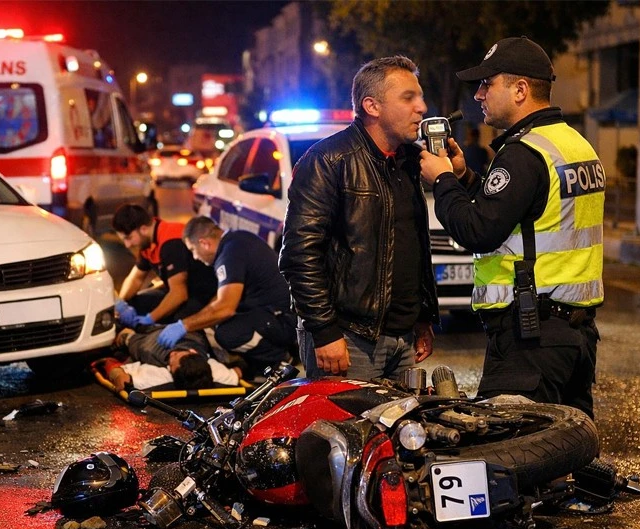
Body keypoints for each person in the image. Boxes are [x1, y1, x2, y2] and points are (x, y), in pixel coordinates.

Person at [419, 36, 605, 418]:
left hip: (530, 339)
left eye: (488, 84)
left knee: (507, 449)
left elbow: (478, 231)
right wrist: (466, 178)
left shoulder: (523, 154)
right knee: (567, 448)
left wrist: (442, 180)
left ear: (520, 90)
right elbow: (522, 213)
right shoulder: (573, 144)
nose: (478, 95)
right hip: (575, 336)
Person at [278, 56, 438, 381]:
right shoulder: (328, 159)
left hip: (404, 337)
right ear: (372, 106)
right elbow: (299, 254)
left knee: (403, 418)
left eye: (420, 97)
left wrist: (422, 317)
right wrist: (324, 330)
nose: (421, 107)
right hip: (348, 337)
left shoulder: (411, 161)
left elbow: (412, 246)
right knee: (345, 418)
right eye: (408, 98)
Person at [156, 216, 297, 375]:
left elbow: (225, 308)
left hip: (283, 319)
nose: (195, 257)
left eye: (193, 250)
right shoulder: (236, 241)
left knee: (228, 334)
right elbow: (221, 297)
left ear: (204, 243)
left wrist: (184, 325)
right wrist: (202, 318)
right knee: (213, 321)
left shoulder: (229, 256)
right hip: (279, 312)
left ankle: (279, 360)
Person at [112, 204, 217, 328]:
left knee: (177, 322)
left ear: (143, 229)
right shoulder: (148, 241)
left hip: (203, 295)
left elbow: (179, 294)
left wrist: (150, 318)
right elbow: (136, 278)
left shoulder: (170, 243)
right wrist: (121, 305)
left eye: (128, 238)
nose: (127, 245)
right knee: (135, 303)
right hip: (181, 291)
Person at [104, 327, 241, 392]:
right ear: (193, 352)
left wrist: (116, 374)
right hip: (188, 325)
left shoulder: (154, 364)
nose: (173, 354)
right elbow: (237, 372)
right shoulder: (215, 370)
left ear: (170, 370)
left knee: (126, 337)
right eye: (178, 354)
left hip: (145, 335)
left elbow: (120, 377)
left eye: (172, 359)